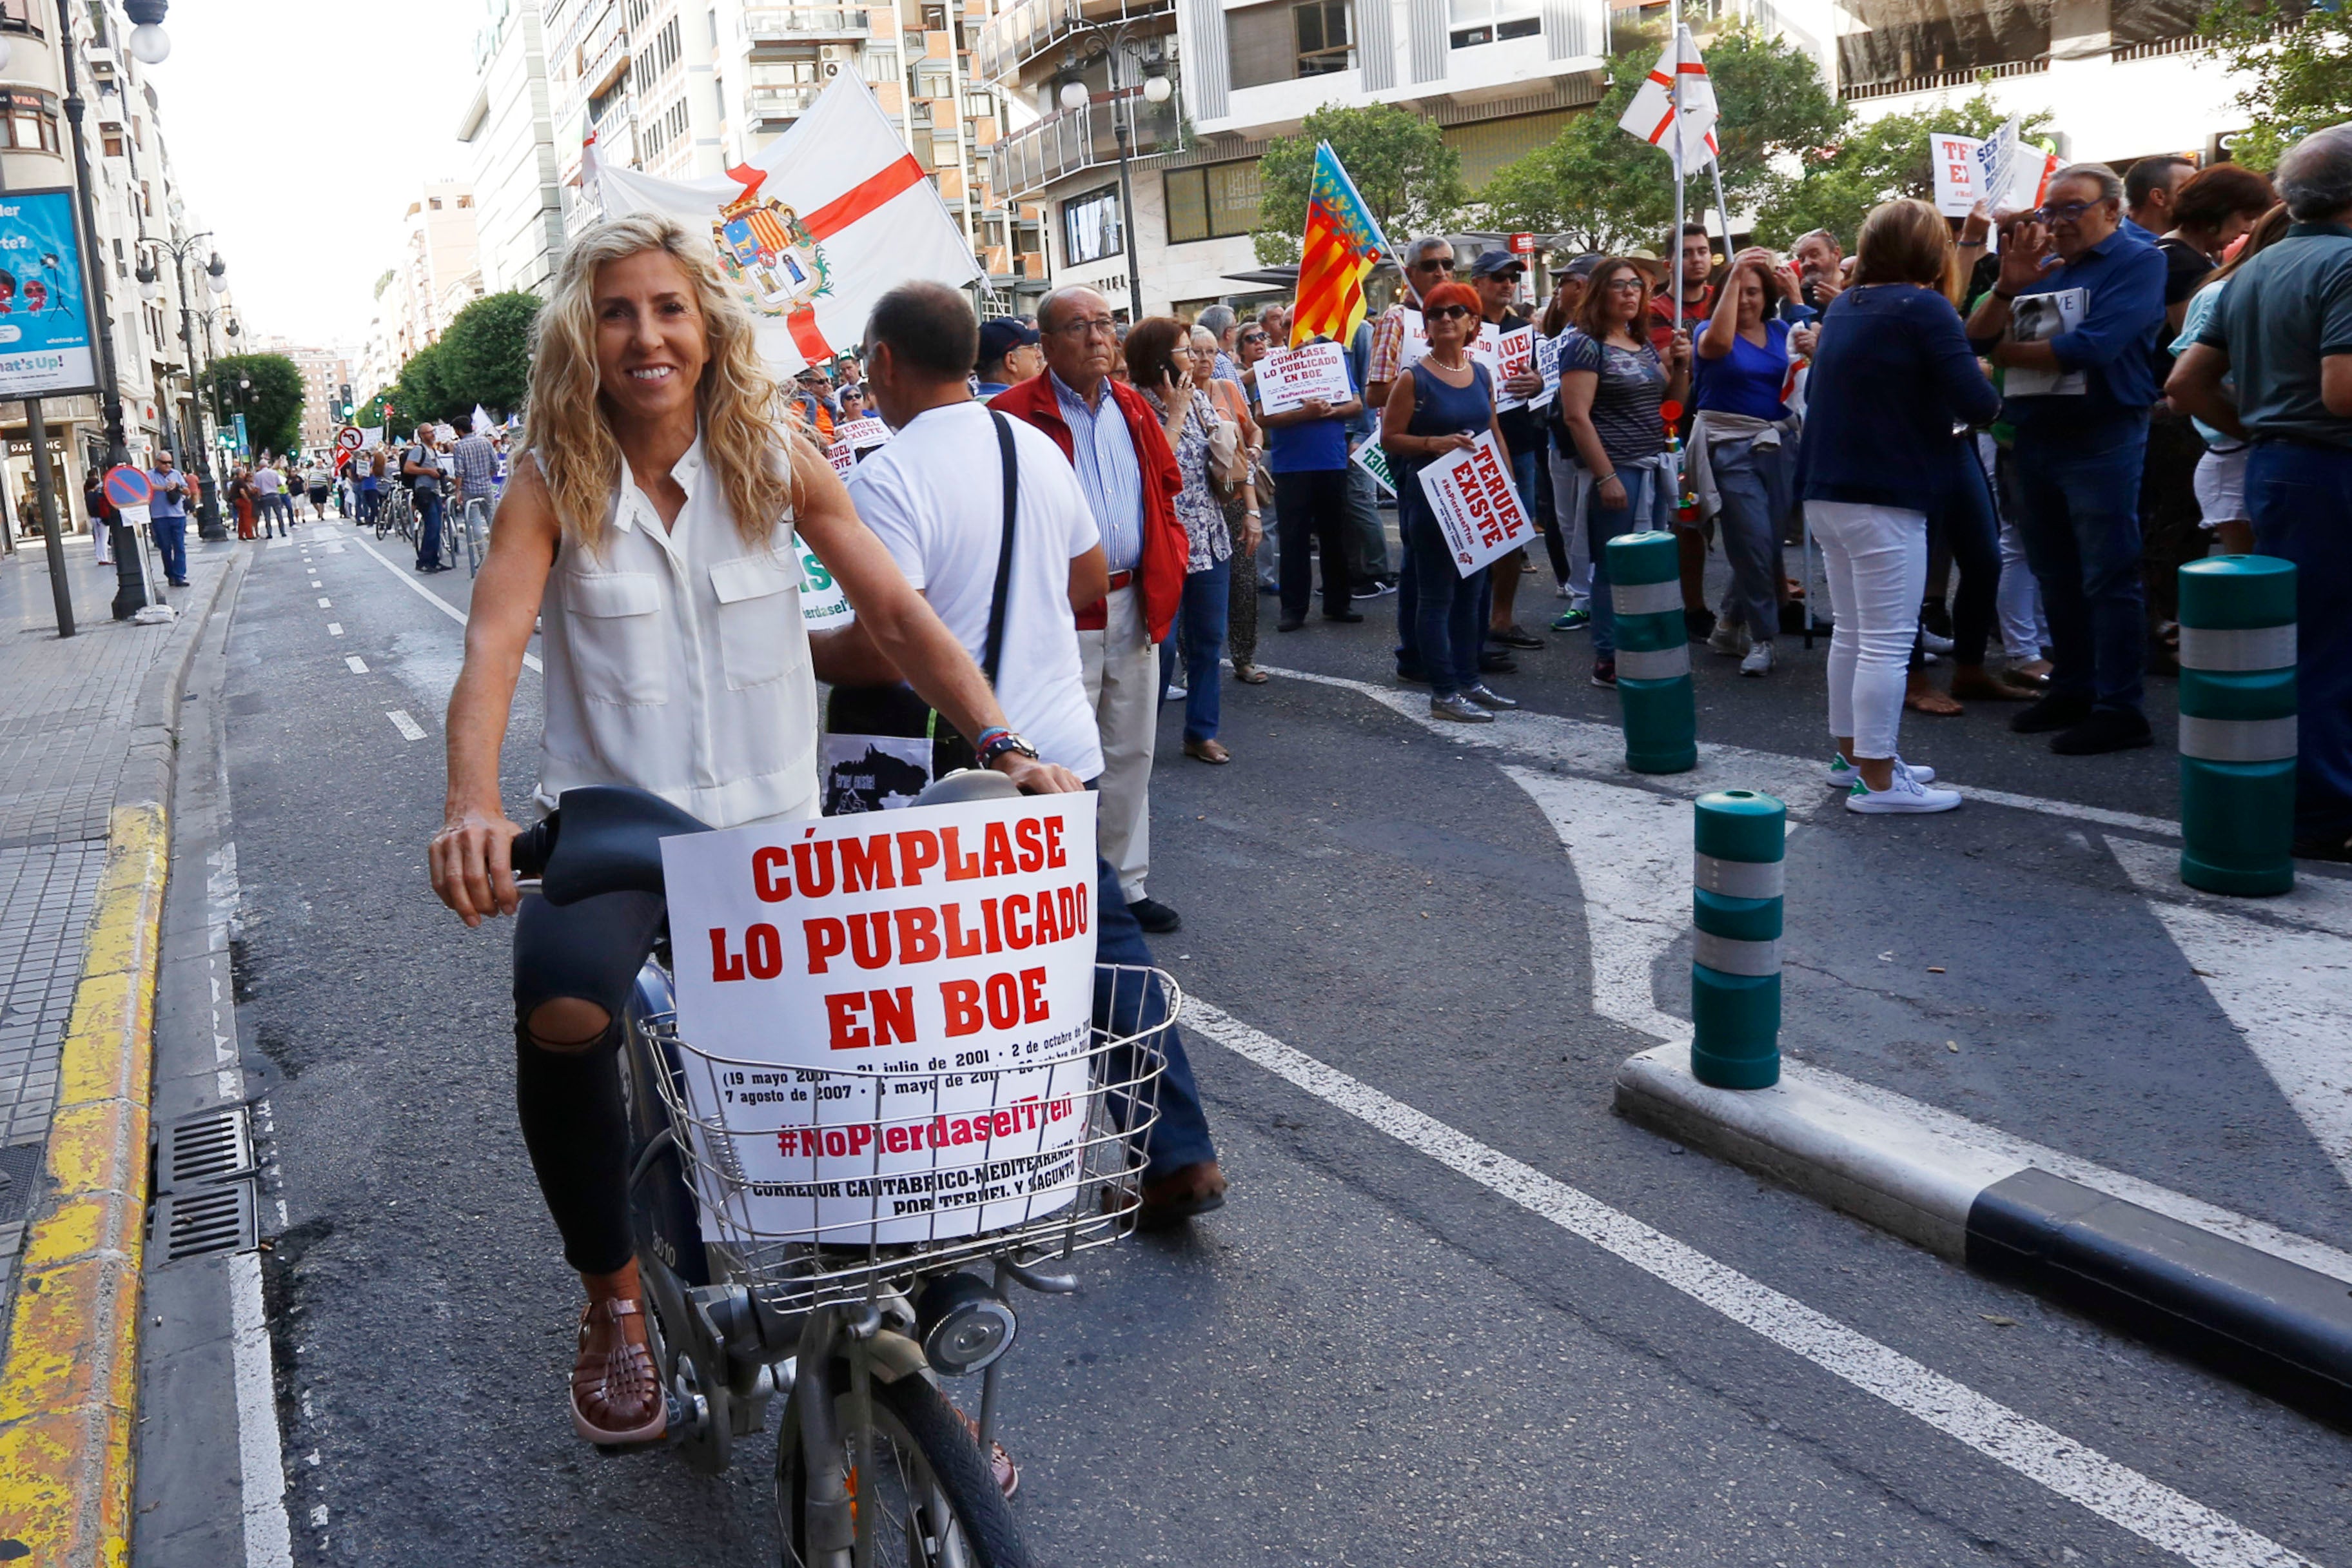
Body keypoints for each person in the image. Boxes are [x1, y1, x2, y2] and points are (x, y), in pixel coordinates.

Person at [426, 217, 1088, 1451]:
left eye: (668, 308)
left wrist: (1000, 745)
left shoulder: (773, 452)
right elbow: (493, 643)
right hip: (622, 831)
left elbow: (892, 608)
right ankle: (613, 1299)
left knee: (863, 1068)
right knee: (562, 1001)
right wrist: (473, 803)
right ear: (585, 333)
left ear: (707, 324)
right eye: (618, 311)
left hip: (777, 839)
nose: (646, 335)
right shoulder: (550, 476)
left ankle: (890, 1331)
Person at [828, 281, 1228, 1235]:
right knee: (1101, 948)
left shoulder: (887, 474)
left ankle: (955, 1179)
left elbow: (888, 639)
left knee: (934, 979)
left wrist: (791, 645)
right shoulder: (1035, 448)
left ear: (884, 361)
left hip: (958, 763)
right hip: (1058, 748)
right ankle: (1173, 1151)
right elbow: (1091, 580)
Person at [2170, 122, 2352, 861]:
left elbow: (2188, 383)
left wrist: (2256, 428)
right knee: (2331, 648)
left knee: (2303, 642)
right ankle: (2323, 812)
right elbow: (2343, 393)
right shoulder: (2345, 267)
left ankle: (2310, 799)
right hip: (2333, 468)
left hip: (2279, 468)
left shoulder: (2252, 270)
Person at [990, 285, 1190, 934]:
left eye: (1106, 323)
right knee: (1056, 754)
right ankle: (1053, 888)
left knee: (1131, 746)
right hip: (1057, 611)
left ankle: (1125, 885)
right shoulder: (1012, 414)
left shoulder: (1133, 406)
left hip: (1135, 599)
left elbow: (1164, 494)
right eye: (1079, 327)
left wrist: (1170, 564)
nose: (1099, 337)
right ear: (1045, 345)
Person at [1802, 199, 2001, 814]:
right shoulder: (1926, 308)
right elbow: (1978, 404)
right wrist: (1982, 367)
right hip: (1886, 494)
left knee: (1854, 637)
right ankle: (1881, 781)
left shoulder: (1845, 307)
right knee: (1886, 643)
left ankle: (1855, 757)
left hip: (1827, 490)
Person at [1966, 163, 2169, 755]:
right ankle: (2074, 687)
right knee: (2055, 572)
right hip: (2032, 433)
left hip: (2101, 436)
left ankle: (2120, 706)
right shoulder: (2041, 262)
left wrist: (2002, 352)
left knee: (2108, 575)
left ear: (2113, 210)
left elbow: (2092, 348)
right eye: (2049, 211)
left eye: (2071, 209)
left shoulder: (2139, 260)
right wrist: (2007, 285)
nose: (2055, 223)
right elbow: (1969, 333)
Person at [1382, 280, 1513, 723]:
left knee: (1471, 596)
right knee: (1437, 598)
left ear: (1473, 321)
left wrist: (1509, 488)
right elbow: (1390, 438)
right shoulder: (1413, 377)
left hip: (1477, 497)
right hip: (1434, 501)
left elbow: (1493, 430)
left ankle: (1468, 680)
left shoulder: (1481, 373)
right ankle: (1443, 693)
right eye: (1435, 314)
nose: (1444, 319)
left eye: (1455, 312)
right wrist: (1433, 443)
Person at [1556, 257, 1689, 689]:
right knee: (1613, 565)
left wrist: (1683, 367)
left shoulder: (1642, 342)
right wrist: (1606, 476)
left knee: (1648, 564)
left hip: (1652, 466)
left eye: (1637, 285)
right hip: (1617, 470)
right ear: (1600, 293)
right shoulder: (1585, 345)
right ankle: (1609, 657)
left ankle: (1641, 646)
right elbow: (1577, 416)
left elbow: (1670, 404)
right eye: (1619, 286)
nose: (1631, 292)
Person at [1121, 318, 1234, 763]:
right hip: (1164, 542)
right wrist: (1177, 413)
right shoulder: (1132, 407)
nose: (1195, 359)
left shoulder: (1199, 398)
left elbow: (1225, 457)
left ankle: (1201, 732)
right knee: (1160, 645)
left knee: (1207, 639)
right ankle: (1140, 740)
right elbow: (1154, 470)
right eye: (1186, 350)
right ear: (1160, 358)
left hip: (1210, 536)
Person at [1691, 248, 1801, 677]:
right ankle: (1764, 637)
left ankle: (1729, 623)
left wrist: (1797, 298)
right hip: (1729, 446)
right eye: (1740, 291)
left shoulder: (1781, 330)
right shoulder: (1709, 331)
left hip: (1779, 445)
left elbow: (1808, 367)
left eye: (1755, 291)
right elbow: (1718, 345)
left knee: (1766, 541)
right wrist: (1734, 273)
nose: (1748, 300)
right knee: (1753, 540)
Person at [2168, 204, 2289, 559]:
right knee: (2256, 594)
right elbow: (2183, 391)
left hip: (2269, 457)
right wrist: (2256, 427)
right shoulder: (2220, 294)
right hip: (2235, 460)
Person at [1467, 250, 1549, 655]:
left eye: (1512, 277)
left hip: (1517, 442)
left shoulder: (1524, 328)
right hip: (1470, 444)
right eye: (1498, 276)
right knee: (1474, 537)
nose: (1507, 283)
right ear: (1477, 281)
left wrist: (1536, 382)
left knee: (1512, 536)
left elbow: (1538, 380)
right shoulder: (1462, 324)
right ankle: (1469, 621)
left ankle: (1501, 619)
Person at [1260, 326, 1364, 634]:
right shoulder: (1271, 365)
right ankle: (1293, 609)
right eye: (1293, 325)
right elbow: (1261, 416)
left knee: (1335, 535)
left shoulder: (1333, 359)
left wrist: (1327, 411)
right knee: (1293, 539)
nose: (1301, 333)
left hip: (1330, 461)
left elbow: (1357, 405)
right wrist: (1303, 415)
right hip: (1291, 465)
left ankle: (1338, 603)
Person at [1191, 324, 1265, 684]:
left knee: (1243, 583)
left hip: (1234, 496)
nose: (1204, 359)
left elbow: (1252, 429)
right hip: (1196, 506)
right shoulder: (1178, 397)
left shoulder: (1228, 389)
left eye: (1211, 352)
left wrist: (1254, 449)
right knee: (1196, 590)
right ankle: (1192, 666)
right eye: (1196, 352)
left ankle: (1244, 658)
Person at [1538, 255, 1603, 632]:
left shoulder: (1606, 335)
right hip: (1559, 440)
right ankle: (1582, 595)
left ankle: (1592, 595)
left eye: (1563, 282)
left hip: (1590, 443)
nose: (1558, 290)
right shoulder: (1562, 336)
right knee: (1567, 522)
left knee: (1588, 522)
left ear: (1580, 287)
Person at [402, 423, 449, 571]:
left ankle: (433, 560)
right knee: (432, 526)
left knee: (436, 527)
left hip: (433, 491)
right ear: (422, 435)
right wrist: (428, 472)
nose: (432, 434)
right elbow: (408, 468)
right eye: (428, 432)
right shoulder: (418, 449)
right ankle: (425, 561)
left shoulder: (432, 450)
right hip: (424, 492)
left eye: (433, 431)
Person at [2123, 155, 2193, 244]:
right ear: (2158, 197)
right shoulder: (2123, 252)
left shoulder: (2197, 243)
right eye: (2191, 189)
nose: (2201, 197)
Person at [451, 420, 498, 549]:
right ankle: (498, 550)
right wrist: (487, 477)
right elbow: (496, 465)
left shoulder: (459, 446)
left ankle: (483, 555)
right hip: (486, 487)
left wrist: (458, 491)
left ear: (458, 430)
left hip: (469, 489)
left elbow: (459, 472)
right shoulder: (485, 442)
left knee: (475, 523)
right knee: (492, 519)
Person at [145, 451, 190, 582]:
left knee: (179, 547)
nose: (168, 465)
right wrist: (164, 488)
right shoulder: (150, 475)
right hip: (159, 517)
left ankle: (180, 576)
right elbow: (147, 486)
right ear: (157, 462)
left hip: (178, 516)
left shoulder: (176, 474)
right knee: (165, 547)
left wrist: (178, 486)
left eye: (170, 462)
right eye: (164, 463)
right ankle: (170, 574)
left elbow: (187, 491)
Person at [973, 317, 1041, 397]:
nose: (1039, 354)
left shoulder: (974, 404)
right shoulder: (1016, 407)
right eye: (1032, 347)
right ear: (1011, 361)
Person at [1792, 229, 1846, 311]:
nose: (1807, 263)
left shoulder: (1861, 286)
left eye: (1814, 255)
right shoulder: (1796, 298)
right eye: (1802, 259)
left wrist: (1843, 304)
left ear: (1836, 254)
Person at [249, 456, 286, 538]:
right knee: (279, 515)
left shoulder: (258, 475)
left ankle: (269, 533)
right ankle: (282, 531)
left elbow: (257, 488)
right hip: (275, 495)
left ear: (260, 466)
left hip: (265, 497)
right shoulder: (274, 473)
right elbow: (279, 484)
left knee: (267, 517)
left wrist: (259, 497)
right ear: (267, 465)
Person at [303, 456, 332, 521]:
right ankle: (319, 511)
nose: (319, 464)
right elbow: (308, 478)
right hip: (313, 487)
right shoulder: (311, 469)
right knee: (313, 502)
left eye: (320, 462)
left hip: (322, 487)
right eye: (318, 462)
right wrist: (307, 486)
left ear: (322, 463)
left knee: (322, 502)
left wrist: (329, 487)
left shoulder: (326, 470)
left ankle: (322, 516)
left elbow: (329, 479)